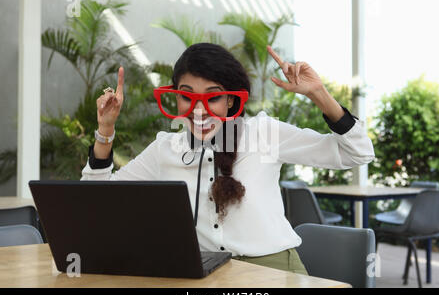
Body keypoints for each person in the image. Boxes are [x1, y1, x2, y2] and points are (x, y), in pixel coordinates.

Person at [81, 43, 375, 275]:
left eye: (213, 97)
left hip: (272, 272)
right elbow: (97, 199)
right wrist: (105, 130)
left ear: (231, 100)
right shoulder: (166, 148)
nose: (199, 110)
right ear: (176, 98)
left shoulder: (264, 133)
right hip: (205, 274)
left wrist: (319, 93)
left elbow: (357, 152)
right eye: (187, 96)